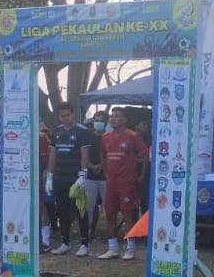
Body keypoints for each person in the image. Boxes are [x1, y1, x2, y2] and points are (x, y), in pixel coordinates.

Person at [98, 107, 147, 259]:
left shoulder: (133, 136)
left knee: (128, 215)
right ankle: (113, 248)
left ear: (125, 119)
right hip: (111, 183)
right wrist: (106, 173)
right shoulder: (105, 137)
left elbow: (145, 155)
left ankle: (130, 248)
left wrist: (141, 176)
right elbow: (103, 156)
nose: (113, 119)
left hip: (127, 183)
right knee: (110, 215)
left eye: (117, 116)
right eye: (111, 116)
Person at [49, 103, 94, 256]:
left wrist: (83, 175)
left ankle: (84, 244)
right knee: (62, 210)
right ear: (58, 116)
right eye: (62, 116)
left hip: (75, 177)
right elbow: (53, 153)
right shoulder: (56, 131)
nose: (65, 118)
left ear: (73, 114)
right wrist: (50, 175)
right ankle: (65, 242)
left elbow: (84, 154)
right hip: (59, 176)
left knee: (79, 209)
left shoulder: (82, 131)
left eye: (68, 115)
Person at [83, 110, 110, 249]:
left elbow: (109, 156)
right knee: (89, 206)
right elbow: (83, 156)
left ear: (106, 122)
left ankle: (111, 234)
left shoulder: (109, 137)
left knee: (108, 207)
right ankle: (87, 233)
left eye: (101, 120)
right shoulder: (87, 137)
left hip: (106, 178)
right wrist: (92, 166)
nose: (98, 123)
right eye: (96, 120)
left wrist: (102, 166)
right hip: (90, 177)